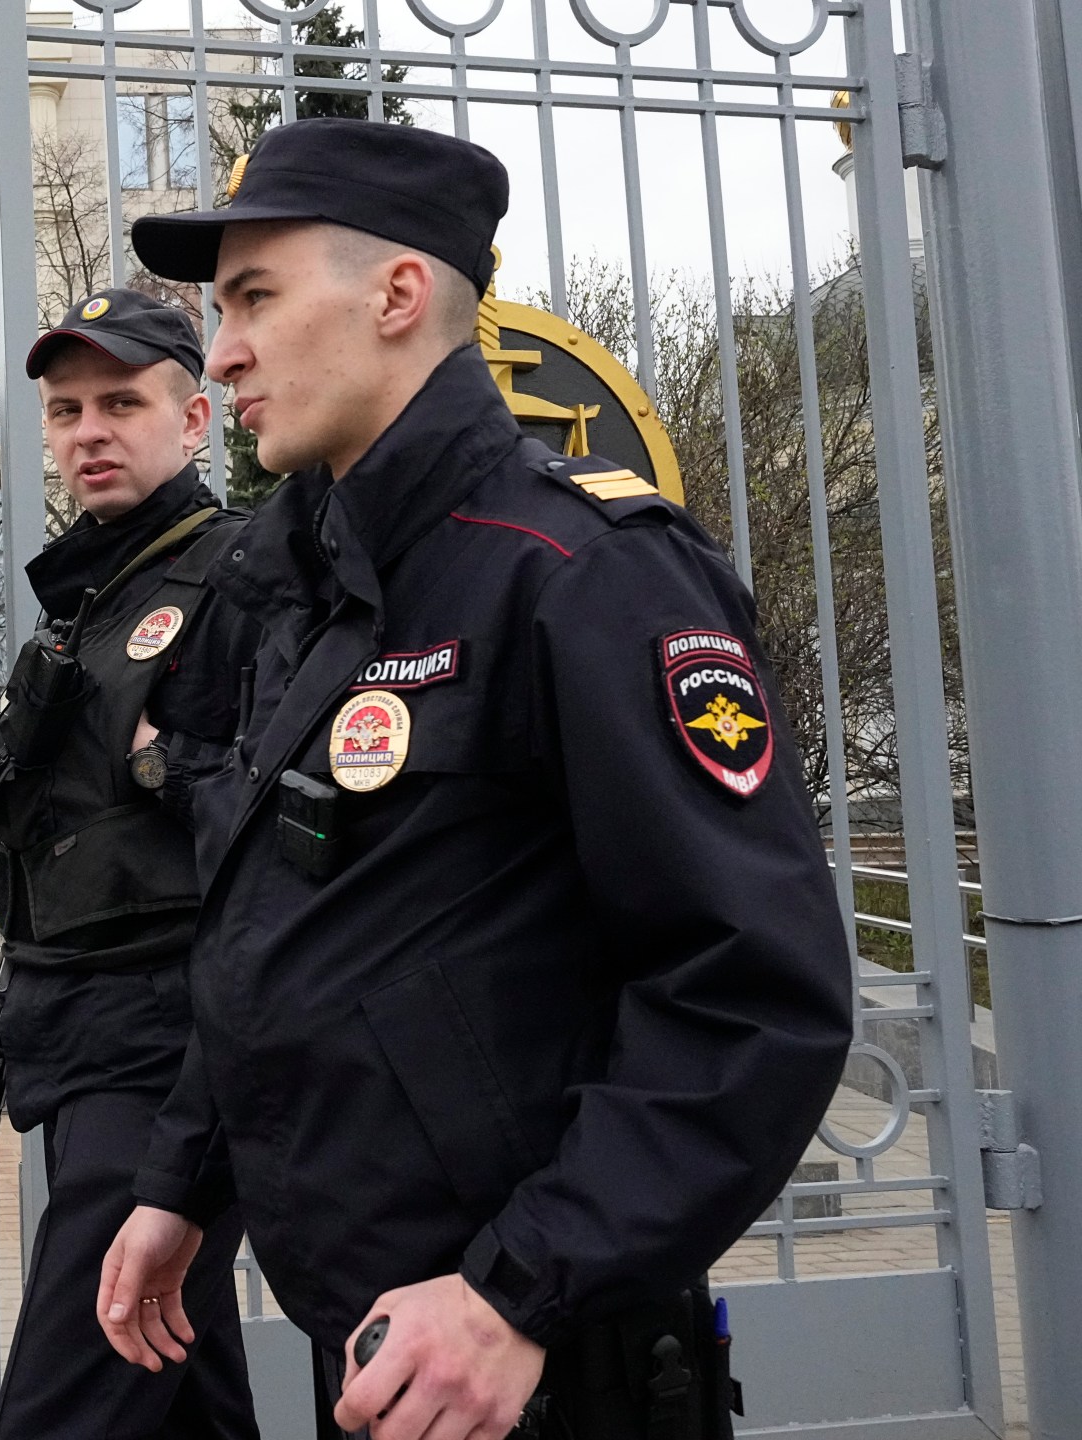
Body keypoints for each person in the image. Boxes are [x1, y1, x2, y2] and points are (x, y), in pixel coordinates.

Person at [92, 118, 855, 1440]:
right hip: (389, 1346)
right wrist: (185, 1177)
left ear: (396, 296)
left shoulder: (581, 573)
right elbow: (290, 926)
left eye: (255, 301)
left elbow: (753, 994)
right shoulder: (314, 591)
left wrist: (515, 1296)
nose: (220, 352)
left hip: (539, 1362)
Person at [0, 287, 257, 1440]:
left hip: (168, 1049)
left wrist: (164, 768)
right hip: (77, 1034)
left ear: (193, 421)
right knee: (178, 1371)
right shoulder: (85, 594)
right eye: (66, 408)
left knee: (71, 1390)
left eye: (123, 403)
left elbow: (305, 799)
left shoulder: (241, 572)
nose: (89, 429)